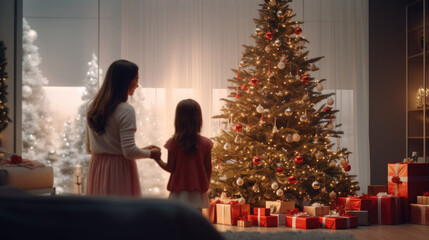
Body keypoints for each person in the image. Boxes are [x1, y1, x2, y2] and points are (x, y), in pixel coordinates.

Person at [85, 59, 161, 197]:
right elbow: (129, 153)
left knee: (99, 215)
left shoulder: (92, 107)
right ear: (126, 81)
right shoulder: (126, 110)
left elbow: (89, 148)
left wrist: (142, 150)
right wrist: (151, 154)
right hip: (118, 171)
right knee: (119, 214)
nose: (137, 85)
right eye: (136, 79)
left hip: (97, 169)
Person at [155, 99, 213, 209]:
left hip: (178, 190)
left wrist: (157, 159)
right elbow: (208, 168)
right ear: (198, 119)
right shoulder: (205, 143)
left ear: (178, 119)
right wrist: (205, 184)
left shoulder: (173, 143)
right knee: (196, 219)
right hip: (197, 189)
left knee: (178, 219)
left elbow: (170, 167)